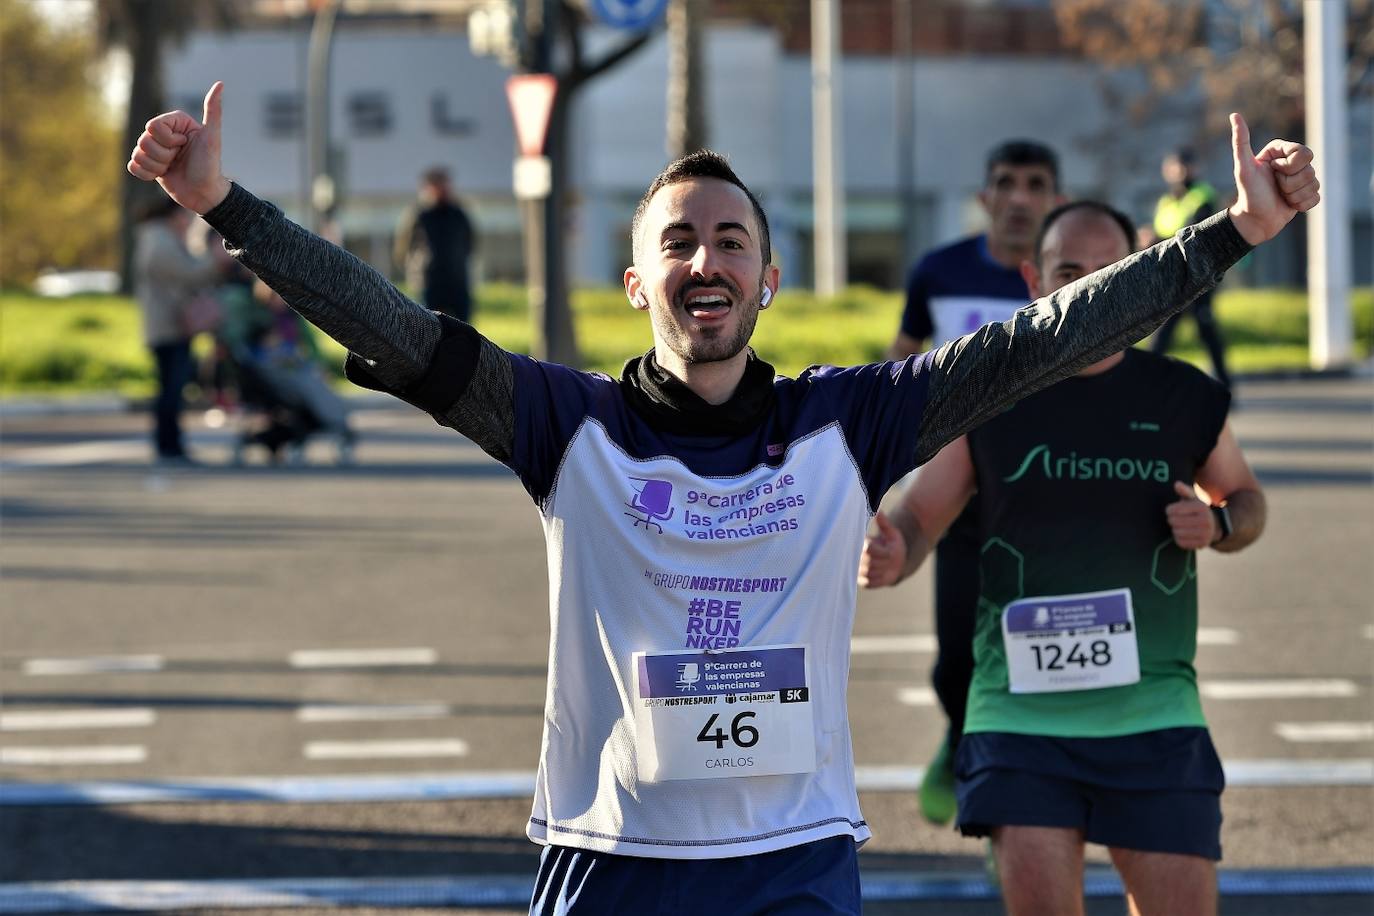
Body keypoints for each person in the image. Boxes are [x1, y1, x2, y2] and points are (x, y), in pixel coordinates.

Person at [127, 82, 1316, 916]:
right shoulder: (561, 422)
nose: (709, 261)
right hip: (609, 859)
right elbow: (390, 320)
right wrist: (232, 209)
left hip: (791, 861)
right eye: (681, 242)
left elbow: (1044, 340)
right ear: (638, 277)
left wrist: (1229, 235)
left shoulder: (848, 423)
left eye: (732, 241)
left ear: (769, 277)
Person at [859, 200, 1266, 916]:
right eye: (1068, 272)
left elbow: (1246, 501)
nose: (1088, 290)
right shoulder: (988, 396)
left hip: (1154, 716)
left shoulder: (1182, 395)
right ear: (1034, 280)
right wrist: (894, 549)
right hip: (1021, 722)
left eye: (1107, 271)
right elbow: (921, 515)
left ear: (1139, 273)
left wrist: (1219, 520)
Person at [886, 139, 1064, 826]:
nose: (1020, 197)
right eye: (1006, 183)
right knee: (956, 656)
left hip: (1046, 498)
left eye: (1035, 184)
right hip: (954, 497)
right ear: (985, 196)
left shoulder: (1069, 279)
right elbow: (898, 367)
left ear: (1054, 198)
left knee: (1038, 659)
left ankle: (1014, 813)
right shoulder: (937, 272)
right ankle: (959, 736)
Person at [133, 195, 226, 466]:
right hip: (167, 328)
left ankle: (170, 444)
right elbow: (188, 273)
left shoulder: (157, 238)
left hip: (168, 326)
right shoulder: (159, 241)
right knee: (171, 390)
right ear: (172, 215)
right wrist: (215, 261)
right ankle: (168, 445)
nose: (187, 222)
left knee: (171, 388)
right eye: (184, 216)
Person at [1148, 147, 1232, 389]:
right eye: (1174, 166)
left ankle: (1225, 386)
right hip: (1173, 277)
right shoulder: (1166, 201)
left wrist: (1157, 241)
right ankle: (1143, 385)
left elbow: (1193, 233)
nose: (1179, 172)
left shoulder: (1203, 195)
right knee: (1162, 334)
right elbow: (1162, 233)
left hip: (1199, 277)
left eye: (1184, 166)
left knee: (1207, 332)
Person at [394, 166, 478, 322]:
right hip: (428, 283)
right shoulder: (418, 215)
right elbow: (403, 249)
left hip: (457, 282)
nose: (443, 189)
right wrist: (416, 270)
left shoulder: (458, 214)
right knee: (426, 331)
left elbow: (470, 244)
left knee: (465, 335)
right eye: (438, 185)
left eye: (445, 184)